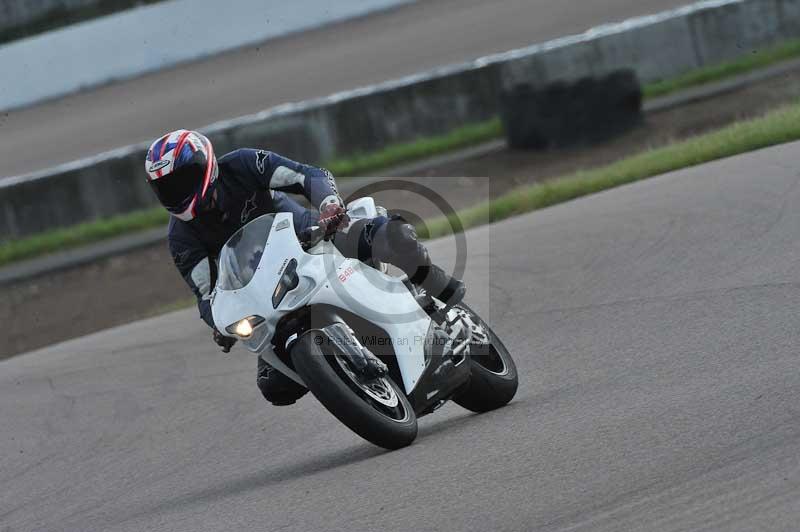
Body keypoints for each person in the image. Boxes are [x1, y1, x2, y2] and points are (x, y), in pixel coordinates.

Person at [145, 129, 464, 406]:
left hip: (314, 237)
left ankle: (430, 281)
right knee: (275, 387)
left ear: (206, 165)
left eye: (183, 180)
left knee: (389, 234)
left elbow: (306, 175)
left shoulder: (242, 164)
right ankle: (343, 378)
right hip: (266, 291)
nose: (177, 193)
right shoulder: (181, 236)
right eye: (167, 188)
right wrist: (220, 323)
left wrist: (328, 205)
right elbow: (206, 292)